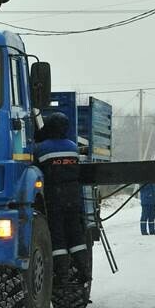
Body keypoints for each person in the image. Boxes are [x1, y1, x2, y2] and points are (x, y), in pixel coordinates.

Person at [34, 112, 90, 284]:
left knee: (57, 235)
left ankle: (62, 275)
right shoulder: (72, 147)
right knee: (75, 234)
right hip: (73, 196)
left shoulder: (42, 148)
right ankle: (84, 271)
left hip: (54, 197)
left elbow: (36, 169)